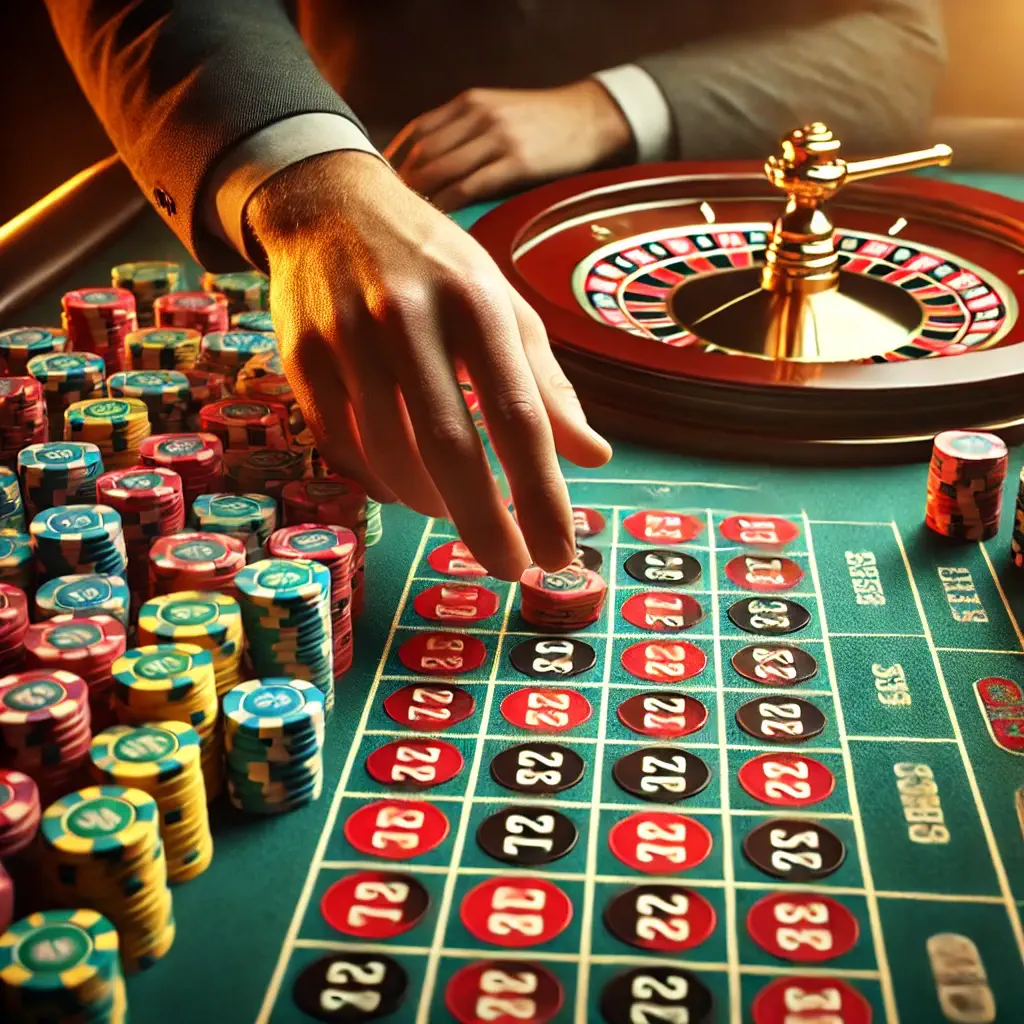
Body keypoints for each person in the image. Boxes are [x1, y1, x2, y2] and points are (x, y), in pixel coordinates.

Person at [46, 1, 945, 579]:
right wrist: (309, 179)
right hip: (380, 152)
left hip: (679, 155)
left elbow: (900, 37)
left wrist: (610, 106)